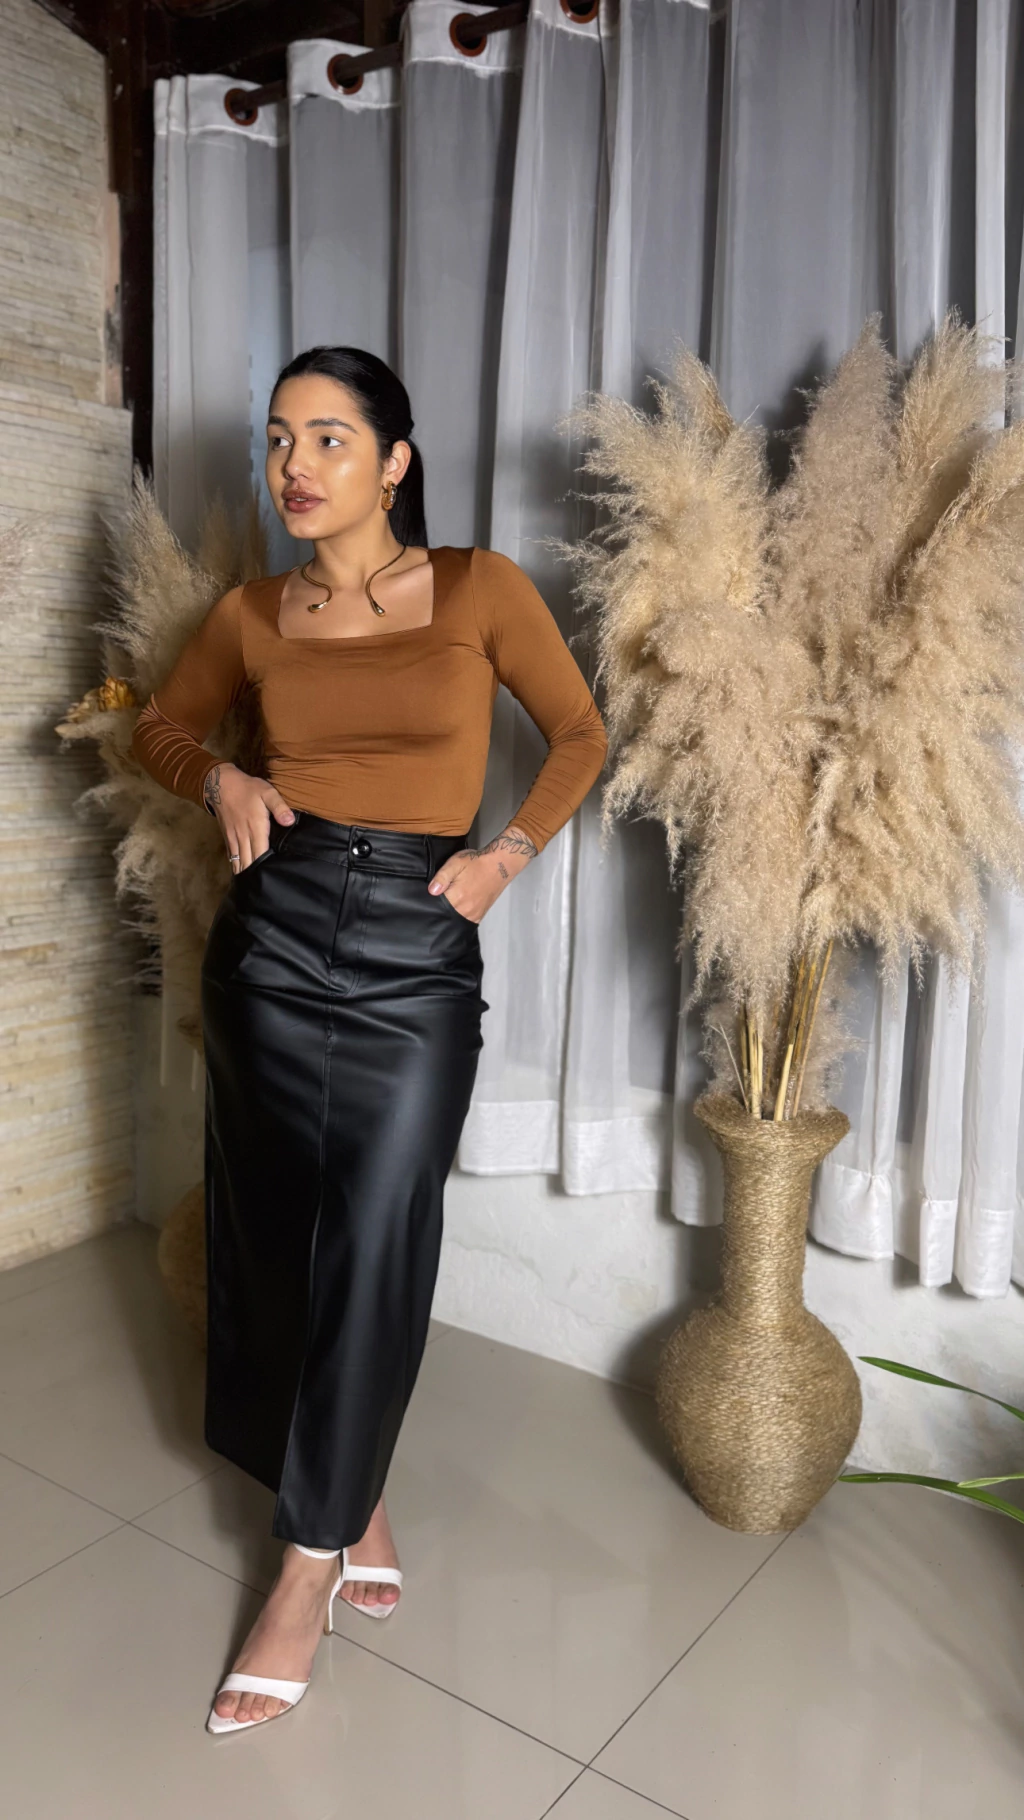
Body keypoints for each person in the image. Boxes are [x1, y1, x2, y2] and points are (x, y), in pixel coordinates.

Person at [130, 345, 608, 1735]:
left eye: (329, 438)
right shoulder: (250, 613)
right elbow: (158, 728)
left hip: (415, 946)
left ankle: (302, 1568)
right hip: (271, 945)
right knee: (276, 1237)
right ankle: (355, 1495)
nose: (295, 465)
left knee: (380, 1234)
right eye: (281, 439)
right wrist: (221, 776)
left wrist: (505, 857)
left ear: (394, 462)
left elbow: (579, 733)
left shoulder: (478, 589)